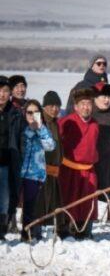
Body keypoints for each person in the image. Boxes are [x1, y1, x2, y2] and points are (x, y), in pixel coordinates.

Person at [58, 88, 100, 239]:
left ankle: (84, 231)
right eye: (82, 104)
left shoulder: (95, 124)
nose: (85, 107)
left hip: (88, 170)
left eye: (88, 103)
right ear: (75, 106)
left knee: (88, 202)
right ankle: (63, 231)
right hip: (69, 169)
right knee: (67, 200)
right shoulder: (66, 121)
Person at [19, 99, 56, 241]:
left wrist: (40, 128)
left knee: (30, 205)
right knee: (12, 202)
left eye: (36, 112)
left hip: (35, 174)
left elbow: (50, 146)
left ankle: (27, 232)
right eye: (29, 112)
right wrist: (30, 129)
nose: (32, 115)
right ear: (24, 113)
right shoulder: (21, 127)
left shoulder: (43, 129)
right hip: (18, 171)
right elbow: (21, 141)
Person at [36, 91, 64, 234]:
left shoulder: (55, 123)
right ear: (45, 106)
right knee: (39, 202)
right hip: (41, 171)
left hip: (53, 170)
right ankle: (34, 231)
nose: (55, 109)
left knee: (52, 201)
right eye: (52, 105)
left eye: (57, 106)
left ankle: (49, 229)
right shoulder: (40, 122)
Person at [0, 78, 23, 240]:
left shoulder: (15, 114)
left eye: (5, 91)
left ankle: (1, 231)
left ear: (10, 93)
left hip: (7, 163)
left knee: (4, 199)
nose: (1, 94)